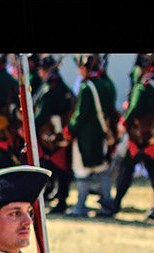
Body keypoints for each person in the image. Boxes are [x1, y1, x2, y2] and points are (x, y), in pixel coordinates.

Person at [103, 54, 154, 219]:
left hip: (140, 136)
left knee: (126, 168)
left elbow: (134, 109)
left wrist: (123, 124)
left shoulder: (143, 86)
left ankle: (116, 204)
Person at [67, 55, 118, 217]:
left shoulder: (87, 87)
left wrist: (71, 129)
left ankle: (81, 205)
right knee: (102, 170)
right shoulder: (106, 84)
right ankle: (107, 203)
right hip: (101, 134)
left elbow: (80, 115)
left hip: (86, 137)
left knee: (82, 171)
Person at [32, 56, 75, 214]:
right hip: (54, 134)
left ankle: (61, 200)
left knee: (58, 169)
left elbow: (43, 114)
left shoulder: (52, 88)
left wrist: (29, 124)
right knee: (56, 169)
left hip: (52, 135)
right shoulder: (58, 84)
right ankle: (57, 196)